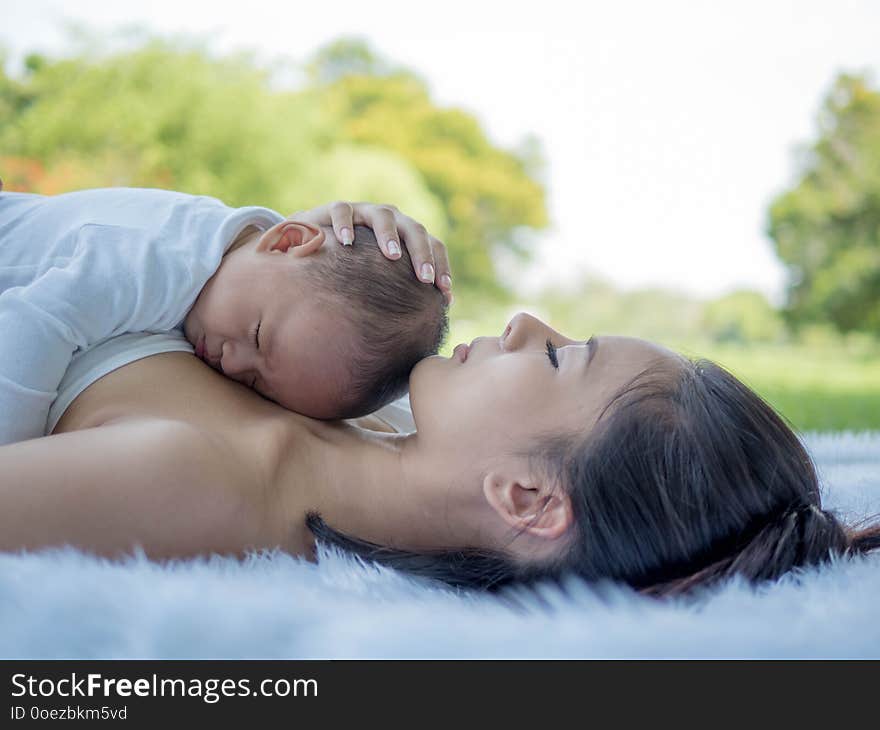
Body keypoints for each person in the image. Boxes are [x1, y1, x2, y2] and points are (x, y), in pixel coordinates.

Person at [0, 297, 877, 598]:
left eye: (560, 356)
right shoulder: (364, 416)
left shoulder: (192, 478)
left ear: (526, 498)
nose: (527, 321)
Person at [0, 188, 452, 444]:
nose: (233, 364)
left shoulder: (258, 264)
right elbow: (31, 328)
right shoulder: (151, 257)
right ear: (286, 240)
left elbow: (312, 279)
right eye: (257, 337)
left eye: (259, 386)